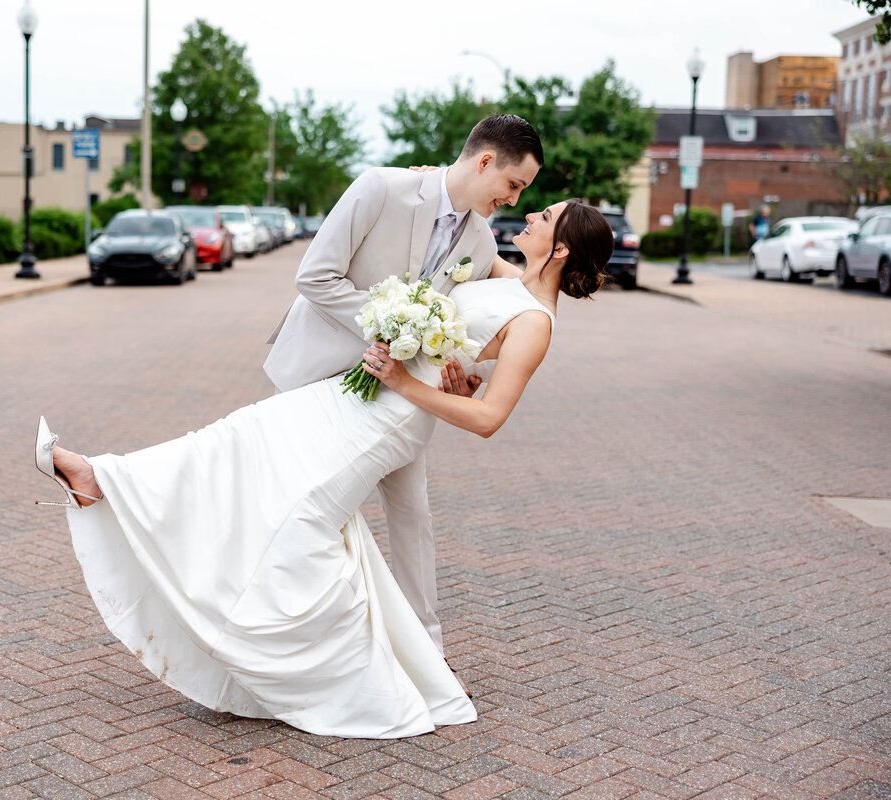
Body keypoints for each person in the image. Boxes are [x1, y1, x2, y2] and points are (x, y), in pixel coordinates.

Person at [36, 198, 614, 739]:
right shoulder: (507, 277)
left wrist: (411, 381)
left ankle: (307, 668)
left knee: (301, 518)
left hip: (391, 418)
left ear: (560, 249)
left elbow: (488, 417)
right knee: (241, 435)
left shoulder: (536, 323)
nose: (531, 215)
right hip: (354, 392)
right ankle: (102, 478)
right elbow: (456, 306)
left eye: (545, 215)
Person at [264, 114, 543, 668]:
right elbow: (315, 277)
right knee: (292, 504)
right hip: (316, 375)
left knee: (413, 515)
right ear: (485, 161)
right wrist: (393, 326)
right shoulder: (380, 187)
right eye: (513, 185)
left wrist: (461, 369)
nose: (513, 200)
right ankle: (282, 640)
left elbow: (513, 300)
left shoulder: (481, 239)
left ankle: (426, 657)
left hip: (398, 393)